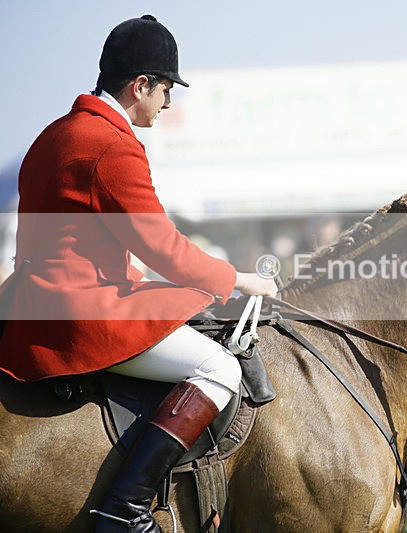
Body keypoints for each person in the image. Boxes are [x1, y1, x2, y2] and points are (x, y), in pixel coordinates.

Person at [0, 15, 277, 532]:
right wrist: (238, 277)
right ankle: (123, 510)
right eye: (166, 89)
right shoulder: (112, 144)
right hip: (79, 312)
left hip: (31, 301)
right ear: (141, 85)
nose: (168, 103)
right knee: (221, 370)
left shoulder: (53, 132)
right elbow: (163, 247)